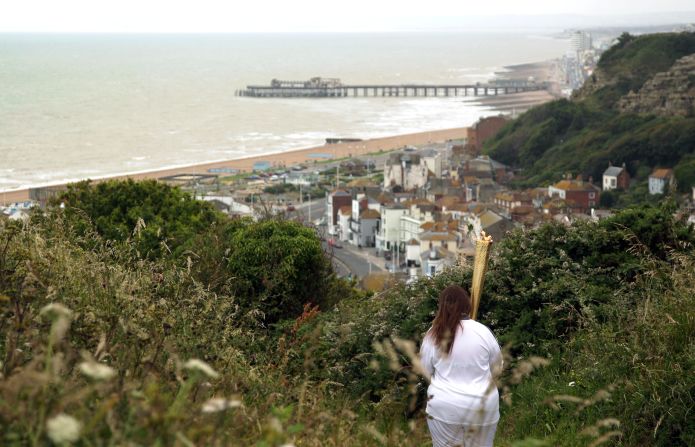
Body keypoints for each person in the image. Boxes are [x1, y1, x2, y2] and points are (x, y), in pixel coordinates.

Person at [419, 285, 502, 447]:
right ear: (467, 305)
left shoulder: (433, 334)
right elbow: (497, 368)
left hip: (444, 407)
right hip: (482, 407)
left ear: (441, 306)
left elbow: (425, 370)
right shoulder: (483, 332)